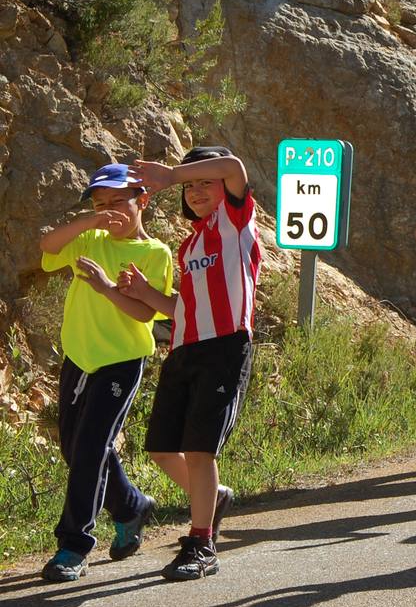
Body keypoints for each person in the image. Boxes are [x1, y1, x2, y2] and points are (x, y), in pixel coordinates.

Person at [119, 147, 258, 581]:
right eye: (190, 187)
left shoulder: (236, 221)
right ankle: (213, 498)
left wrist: (173, 173)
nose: (195, 191)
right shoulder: (192, 242)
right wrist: (145, 295)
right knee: (162, 447)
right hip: (184, 348)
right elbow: (185, 306)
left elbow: (233, 168)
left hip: (225, 346)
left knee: (200, 448)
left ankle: (202, 543)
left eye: (204, 182)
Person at [36, 164, 173, 583]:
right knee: (74, 449)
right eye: (100, 203)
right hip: (79, 357)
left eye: (118, 202)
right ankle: (131, 506)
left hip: (121, 360)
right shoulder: (90, 238)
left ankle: (74, 545)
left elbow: (145, 313)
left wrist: (105, 287)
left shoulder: (155, 254)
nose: (109, 211)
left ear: (142, 201)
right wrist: (90, 220)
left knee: (92, 446)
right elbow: (46, 249)